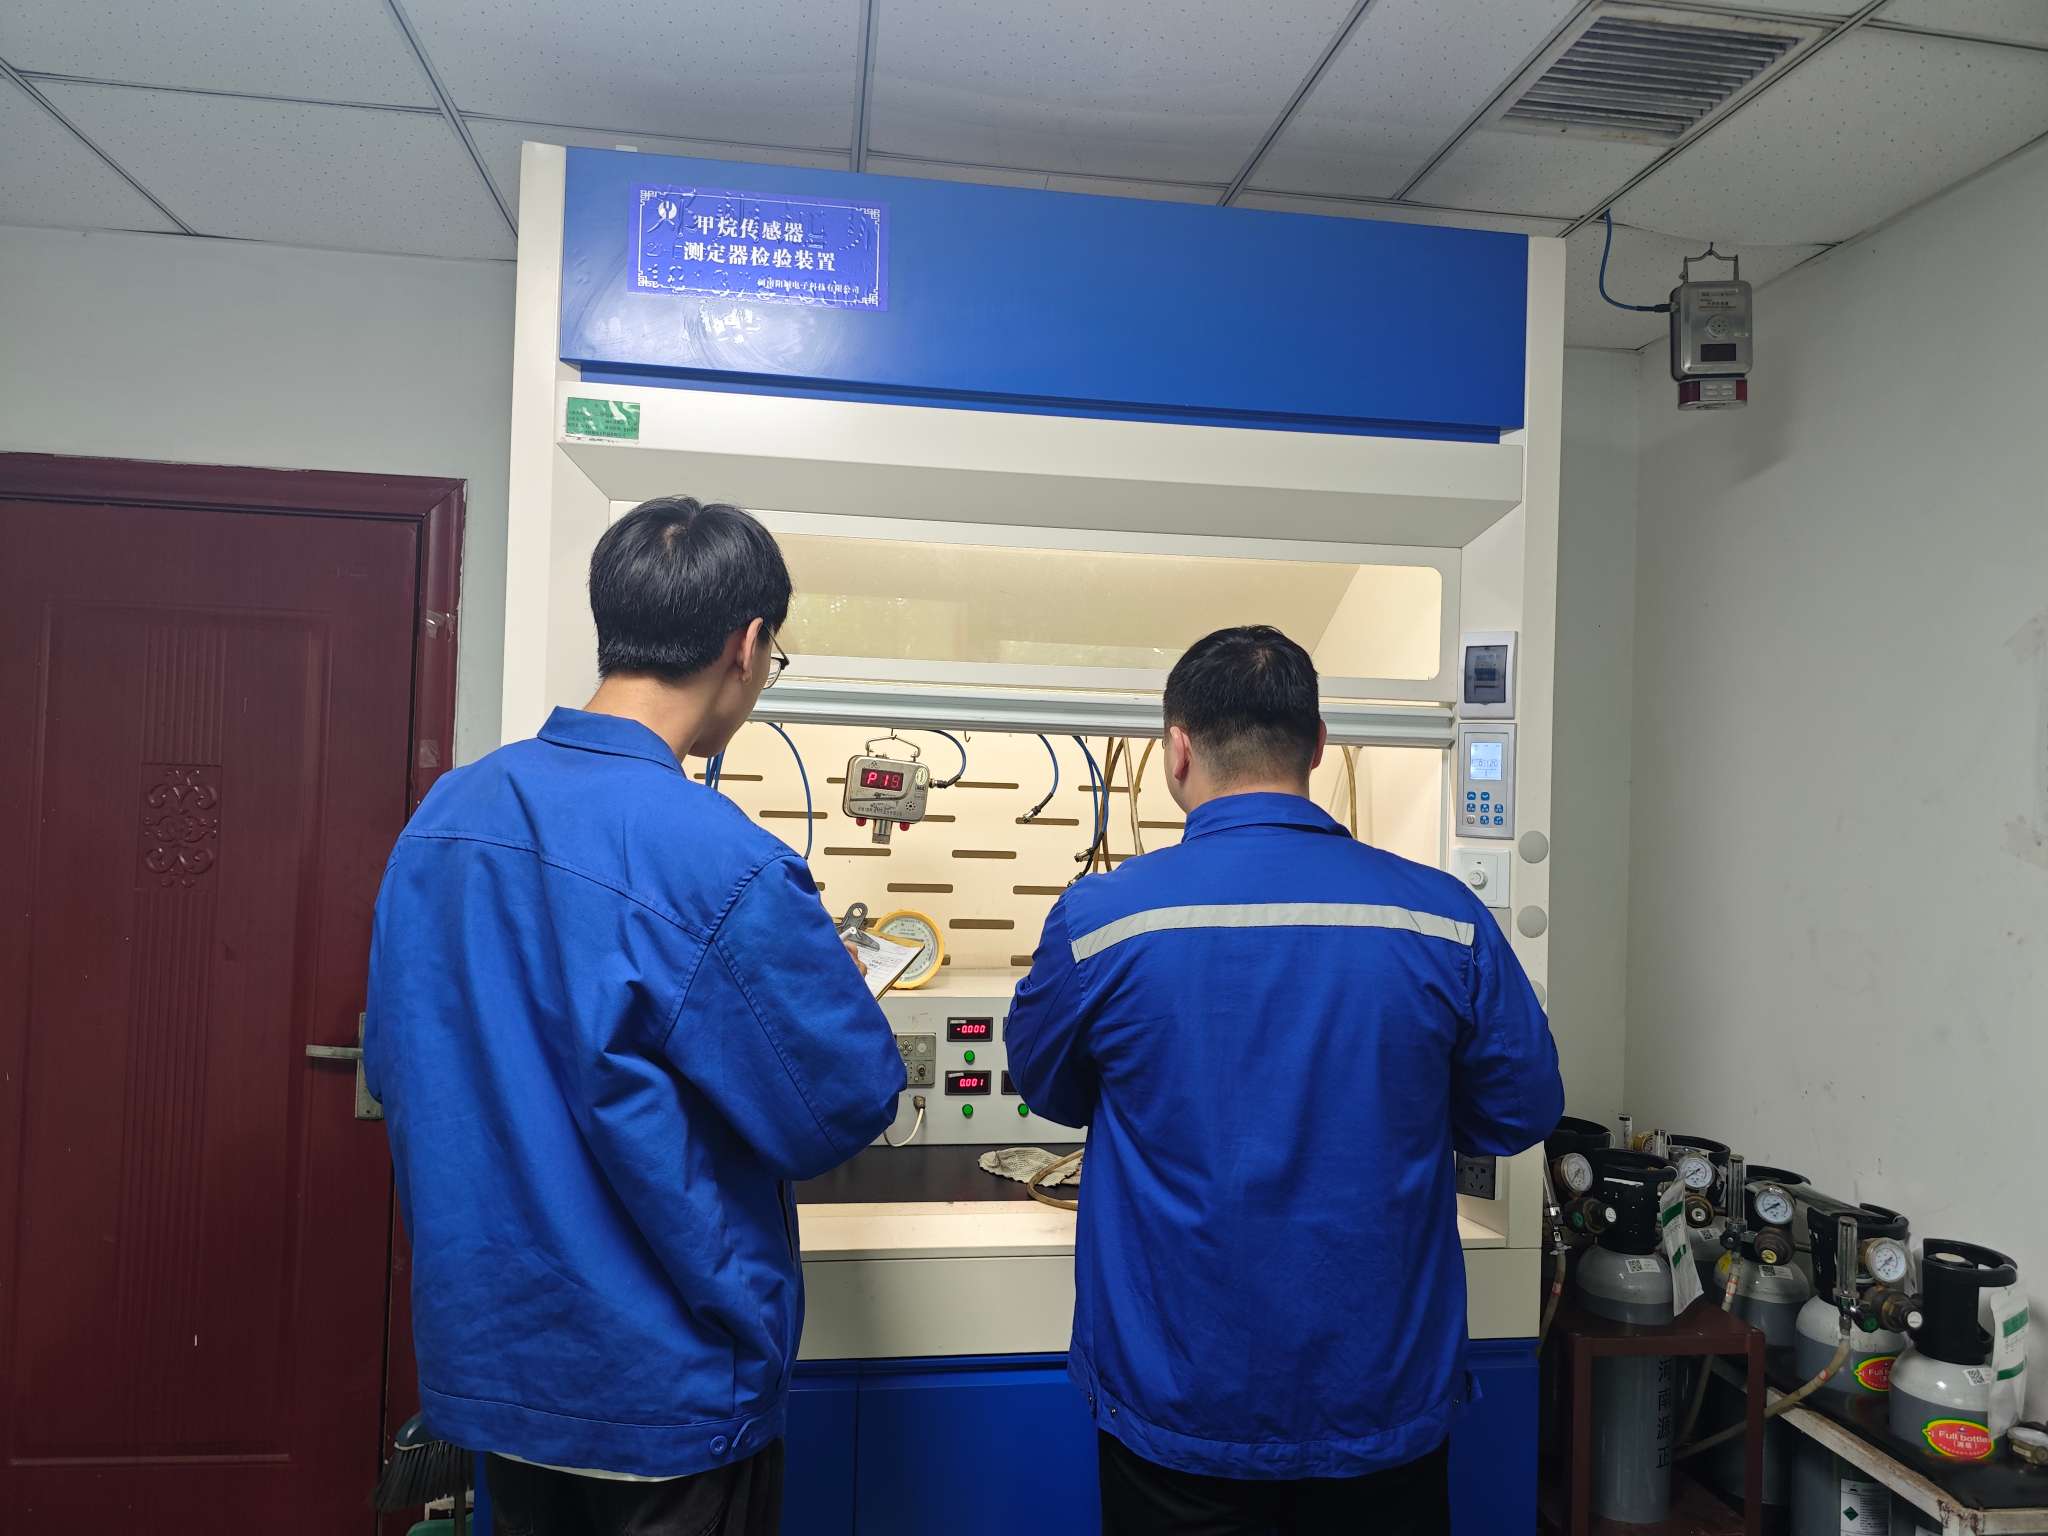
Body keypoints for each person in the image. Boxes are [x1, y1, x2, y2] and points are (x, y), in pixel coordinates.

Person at [364, 496, 905, 1536]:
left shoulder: (445, 817)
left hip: (497, 1375)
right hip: (662, 1399)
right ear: (747, 645)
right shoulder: (722, 861)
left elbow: (400, 1061)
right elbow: (836, 1111)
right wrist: (824, 985)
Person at [1006, 624, 1564, 1536]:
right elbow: (1521, 1109)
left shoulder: (1101, 921)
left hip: (1179, 1401)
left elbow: (1050, 1089)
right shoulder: (1445, 919)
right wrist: (1396, 1115)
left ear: (1177, 750)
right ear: (1316, 746)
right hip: (1379, 1400)